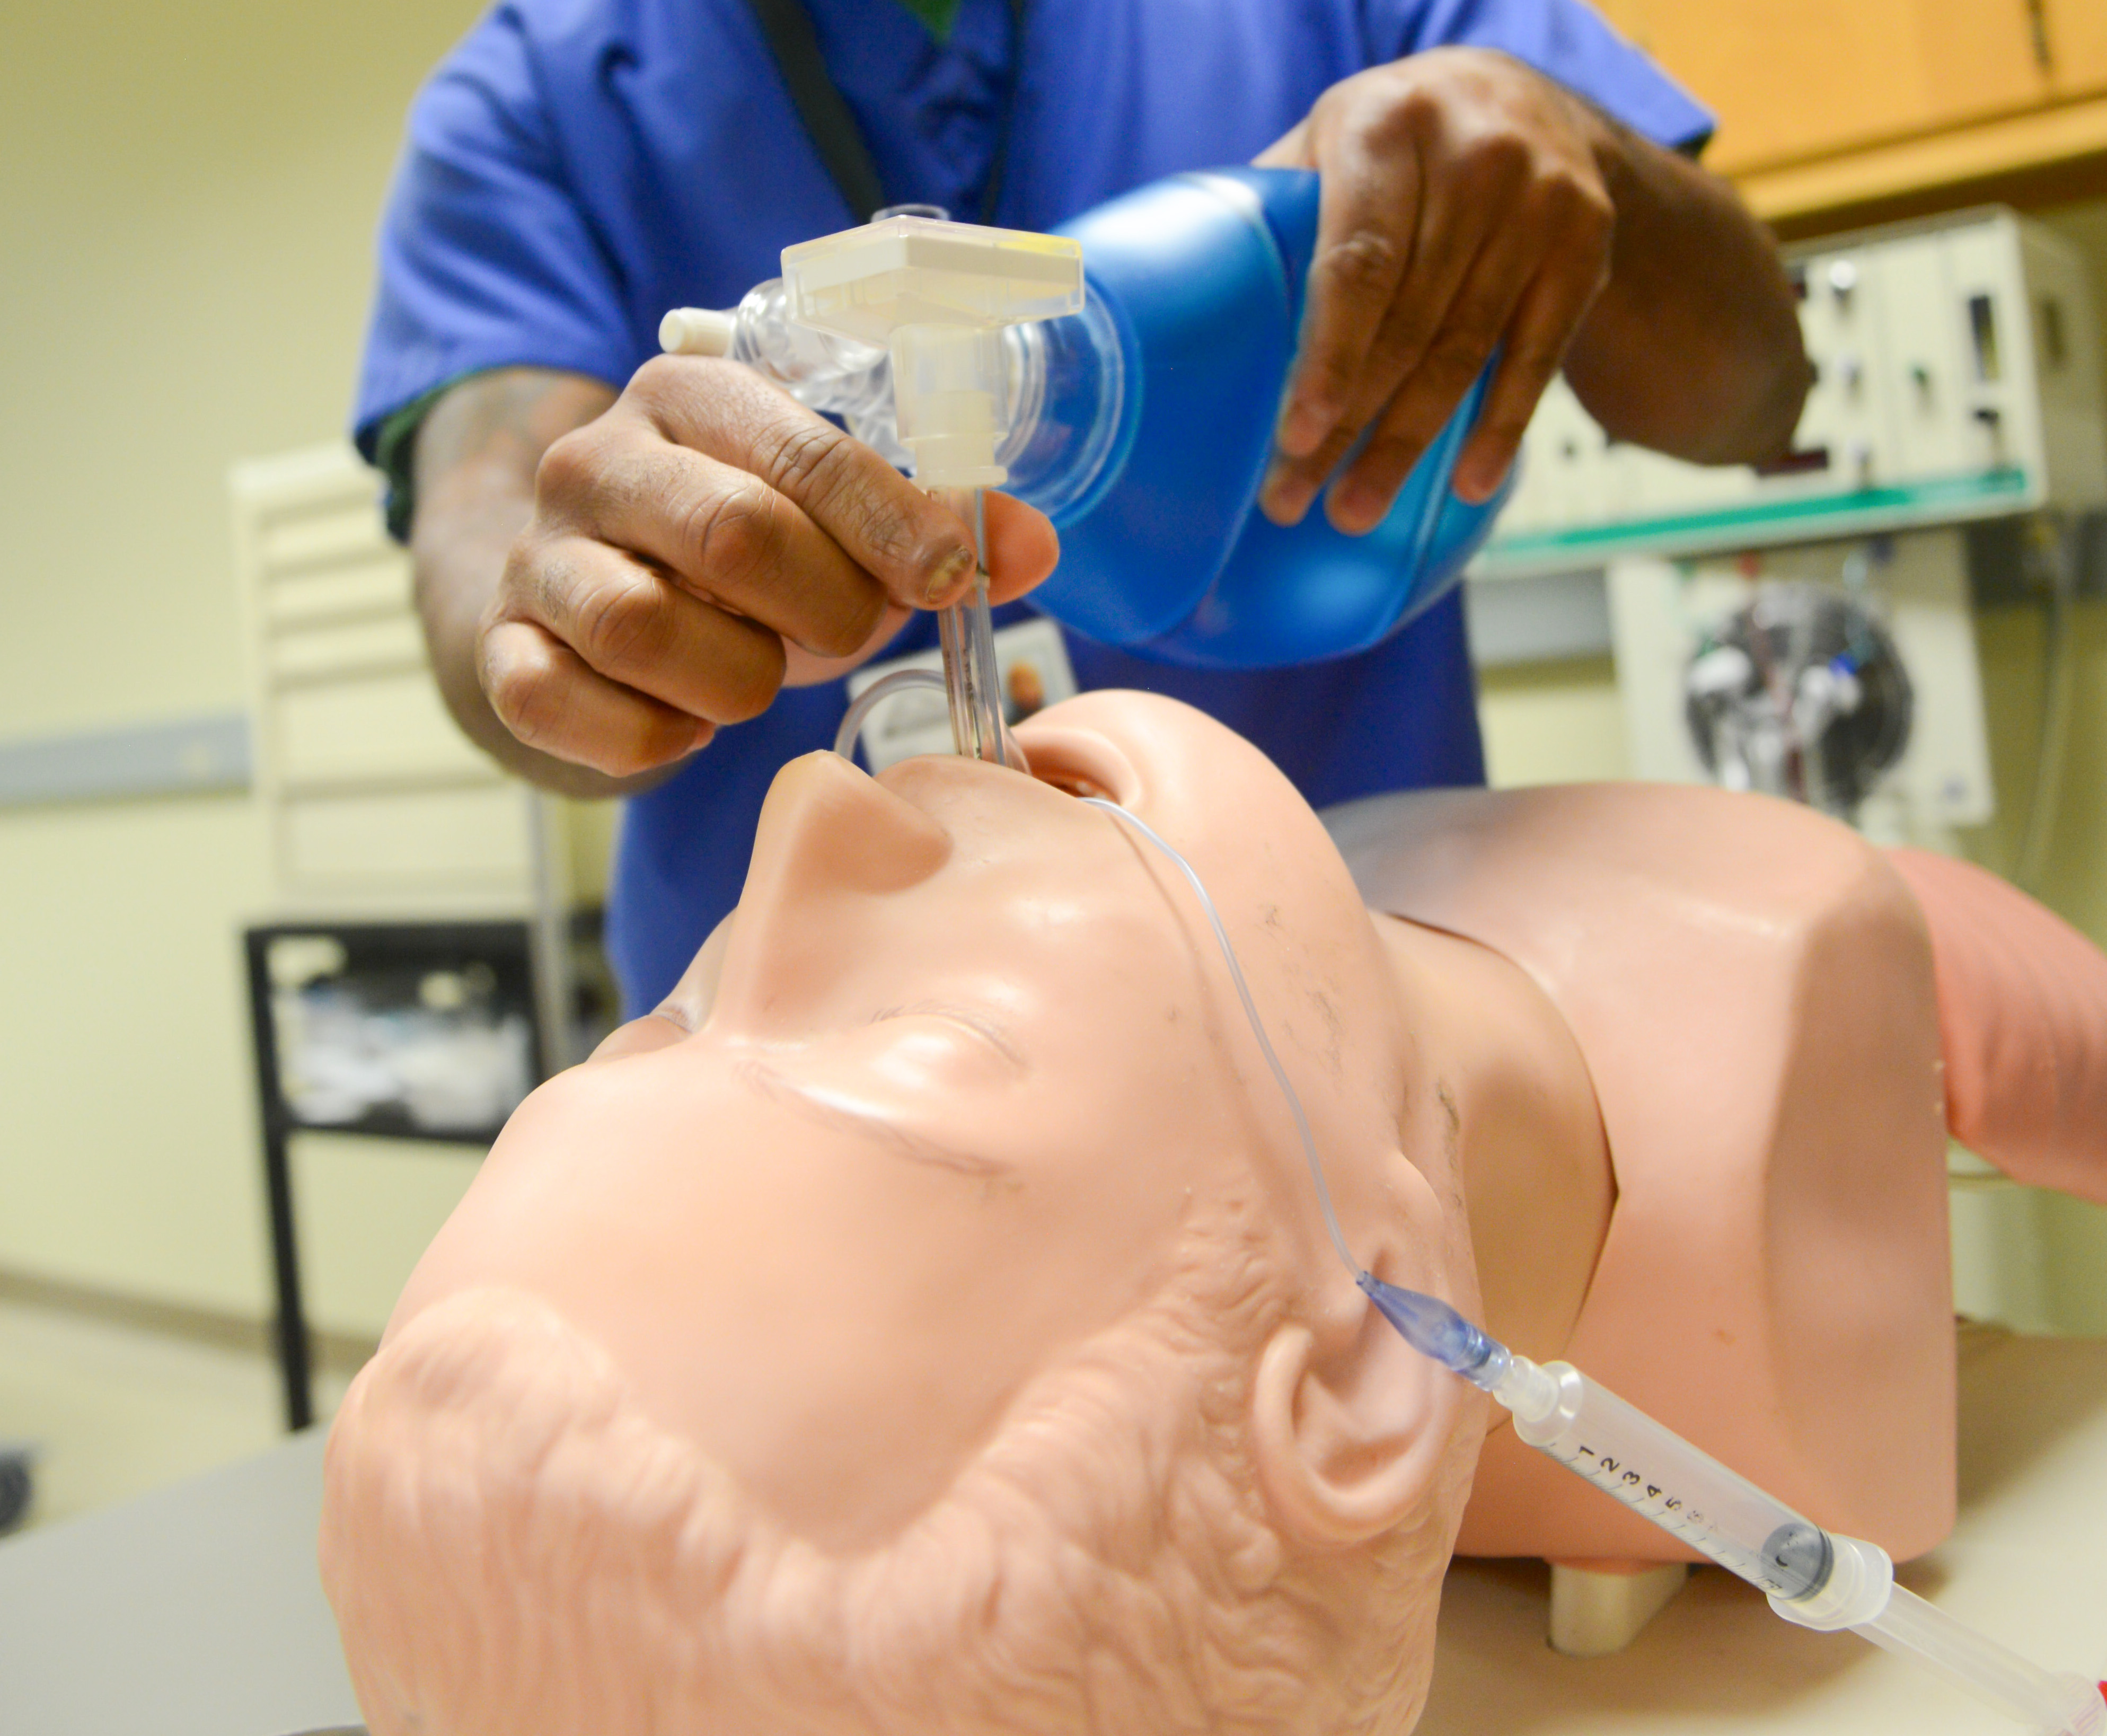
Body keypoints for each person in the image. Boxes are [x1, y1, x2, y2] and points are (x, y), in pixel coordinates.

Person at [321, 692, 2107, 1736]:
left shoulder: (1294, 936)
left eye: (676, 1012)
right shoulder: (1796, 1034)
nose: (807, 819)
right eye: (932, 1046)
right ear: (1362, 1378)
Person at [355, 0, 1812, 1011]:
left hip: (1361, 1034)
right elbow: (490, 525)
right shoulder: (535, 102)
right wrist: (585, 596)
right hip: (837, 1079)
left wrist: (1574, 145)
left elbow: (1755, 389)